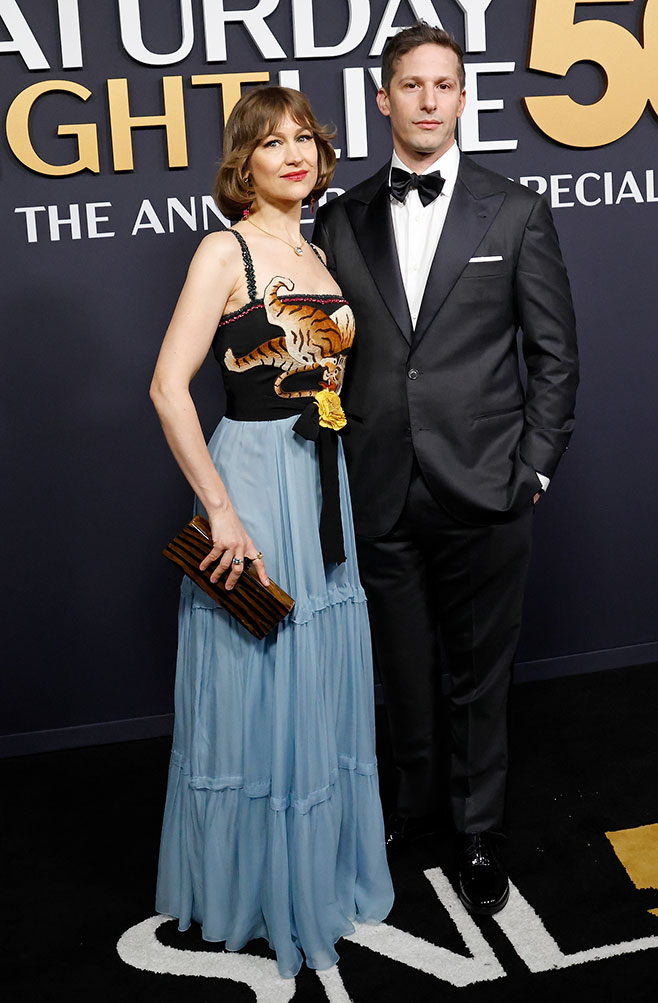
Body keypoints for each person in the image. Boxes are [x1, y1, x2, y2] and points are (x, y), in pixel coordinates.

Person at [313, 23, 578, 916]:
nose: (429, 100)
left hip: (488, 485)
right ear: (382, 100)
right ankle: (410, 812)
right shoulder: (340, 216)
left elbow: (555, 355)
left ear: (464, 99)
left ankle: (476, 827)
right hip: (377, 483)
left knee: (479, 672)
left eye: (445, 85)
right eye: (411, 86)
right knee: (400, 668)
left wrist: (533, 468)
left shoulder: (515, 210)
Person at [150, 86, 393, 978]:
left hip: (322, 483)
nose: (293, 154)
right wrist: (220, 508)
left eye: (305, 140)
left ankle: (317, 875)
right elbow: (168, 387)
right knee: (262, 681)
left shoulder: (319, 251)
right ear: (242, 164)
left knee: (316, 683)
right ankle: (253, 890)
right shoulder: (227, 250)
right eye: (271, 143)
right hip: (254, 483)